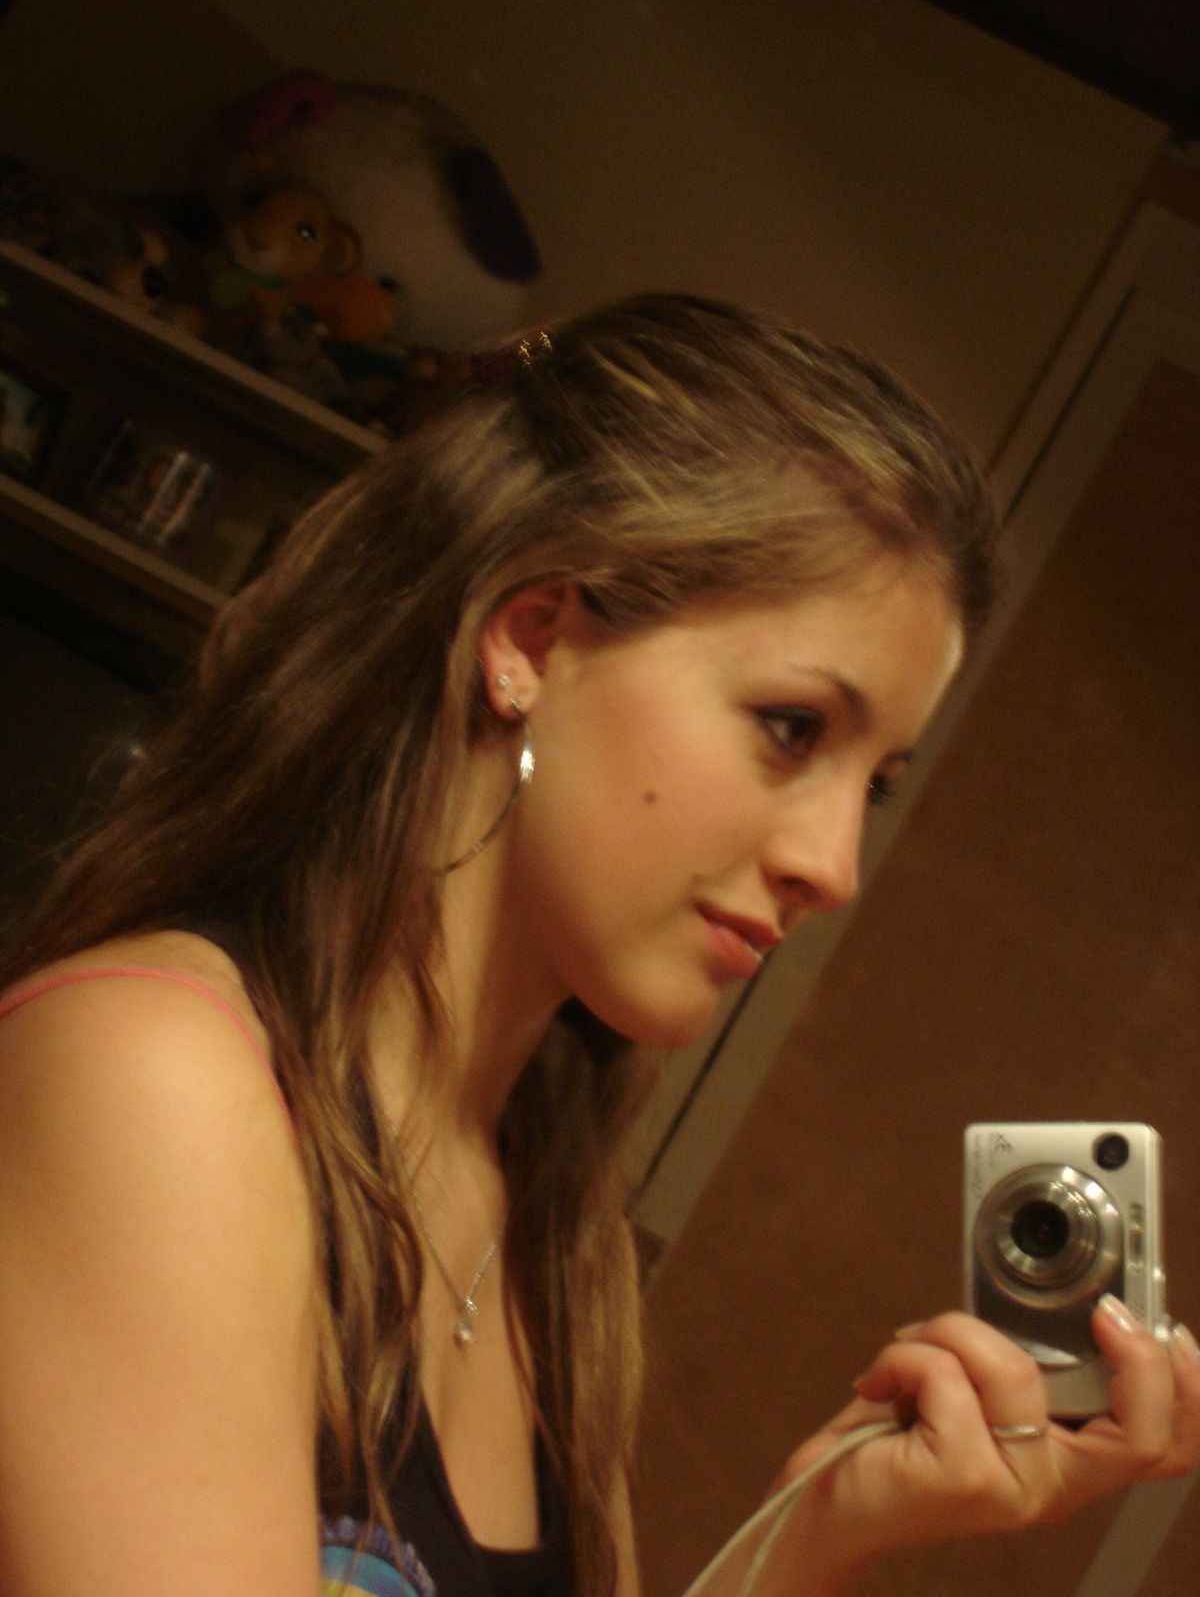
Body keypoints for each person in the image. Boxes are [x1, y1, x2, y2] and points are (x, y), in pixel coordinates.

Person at [0, 293, 1195, 1597]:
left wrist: (816, 1534)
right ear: (532, 641)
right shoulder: (160, 1076)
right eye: (792, 728)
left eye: (878, 784)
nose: (834, 867)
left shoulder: (552, 1228)